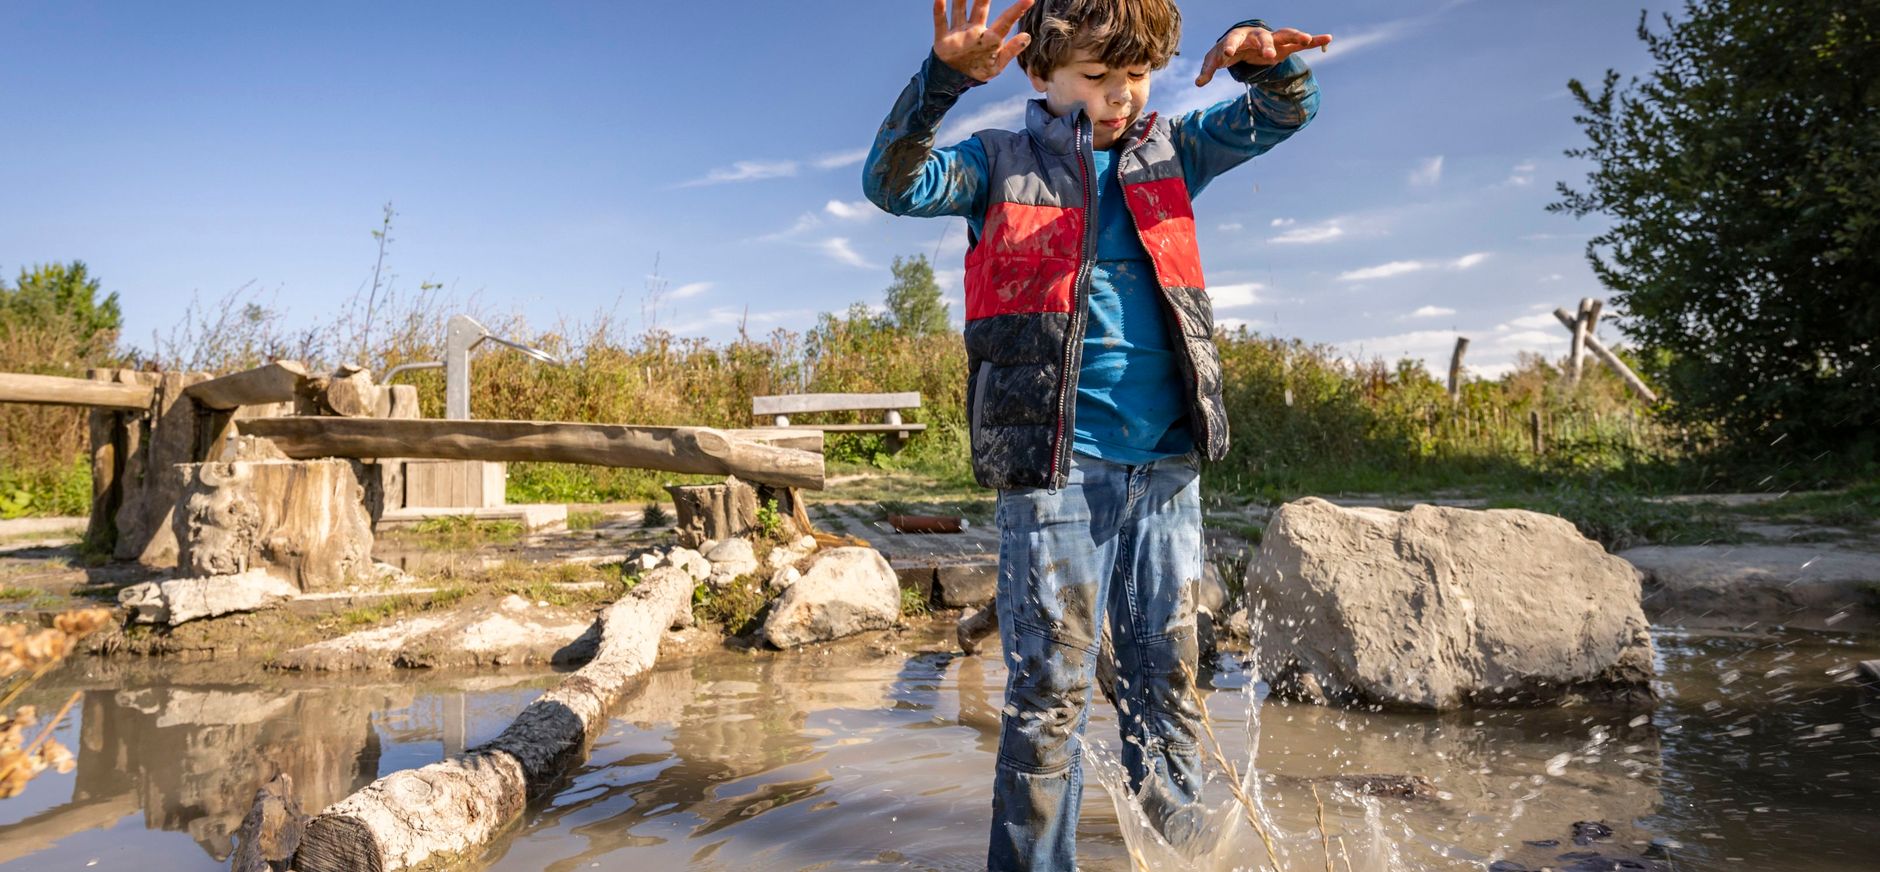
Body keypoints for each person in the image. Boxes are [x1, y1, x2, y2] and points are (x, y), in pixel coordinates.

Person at [862, 1, 1327, 868]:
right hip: (1056, 470)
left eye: (1136, 77)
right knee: (1049, 695)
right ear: (1039, 74)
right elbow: (891, 185)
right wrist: (941, 85)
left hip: (1167, 469)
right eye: (1095, 79)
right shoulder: (995, 164)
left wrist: (1264, 61)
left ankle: (1183, 854)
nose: (1119, 98)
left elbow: (1288, 112)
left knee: (1170, 681)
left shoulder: (1175, 153)